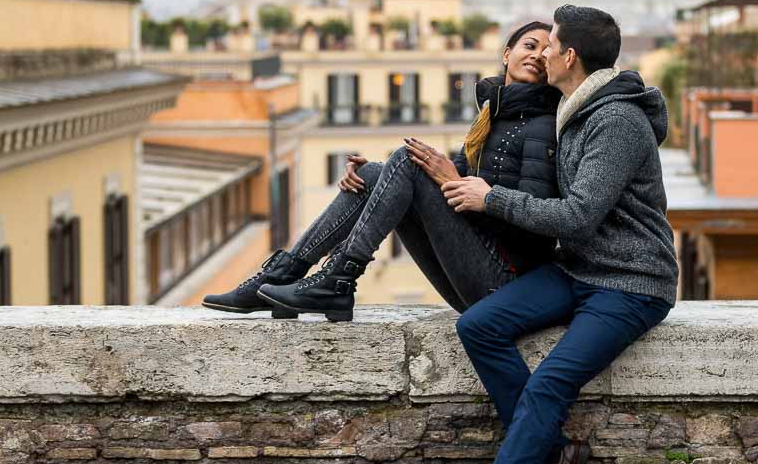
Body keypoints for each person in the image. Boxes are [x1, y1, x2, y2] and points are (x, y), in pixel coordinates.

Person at [386, 5, 679, 464]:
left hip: (631, 283)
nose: (541, 51)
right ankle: (555, 455)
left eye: (551, 45)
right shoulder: (575, 106)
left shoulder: (615, 120)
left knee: (548, 385)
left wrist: (490, 198)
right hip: (580, 271)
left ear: (569, 57)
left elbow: (578, 214)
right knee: (479, 325)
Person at [201, 21, 562, 321]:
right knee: (373, 174)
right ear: (506, 54)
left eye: (545, 54)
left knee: (406, 160)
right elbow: (458, 181)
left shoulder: (542, 125)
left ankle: (340, 278)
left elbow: (530, 230)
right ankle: (284, 273)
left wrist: (458, 184)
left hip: (503, 285)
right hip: (479, 272)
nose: (535, 56)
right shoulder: (493, 115)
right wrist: (374, 176)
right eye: (529, 45)